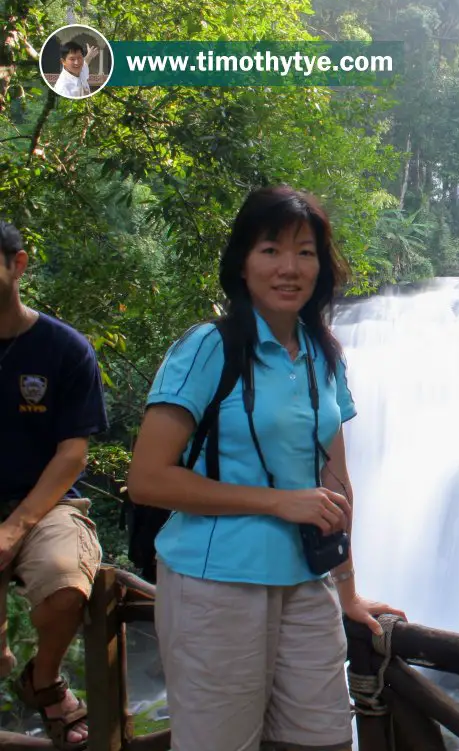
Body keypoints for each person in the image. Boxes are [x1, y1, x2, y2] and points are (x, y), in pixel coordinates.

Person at [126, 186, 405, 751]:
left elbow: (335, 482)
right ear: (243, 263)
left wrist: (347, 588)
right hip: (216, 584)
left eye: (305, 252)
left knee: (323, 740)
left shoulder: (324, 354)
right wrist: (277, 501)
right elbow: (148, 479)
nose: (289, 267)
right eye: (271, 250)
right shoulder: (210, 348)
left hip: (307, 581)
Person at [0, 219, 107, 750]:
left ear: (16, 265)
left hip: (46, 503)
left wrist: (14, 527)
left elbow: (72, 454)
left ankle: (43, 682)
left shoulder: (64, 349)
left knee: (66, 585)